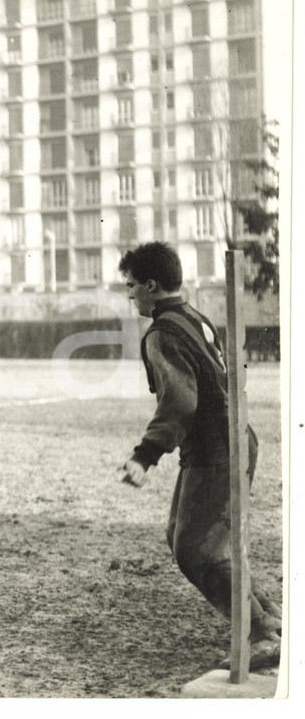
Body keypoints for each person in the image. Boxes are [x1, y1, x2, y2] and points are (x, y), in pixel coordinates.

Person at [118, 241, 282, 671]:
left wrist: (144, 455)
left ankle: (261, 633)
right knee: (186, 537)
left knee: (195, 549)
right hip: (229, 441)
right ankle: (273, 621)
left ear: (151, 286)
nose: (129, 294)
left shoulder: (161, 333)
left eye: (131, 285)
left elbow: (180, 402)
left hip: (215, 449)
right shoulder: (193, 317)